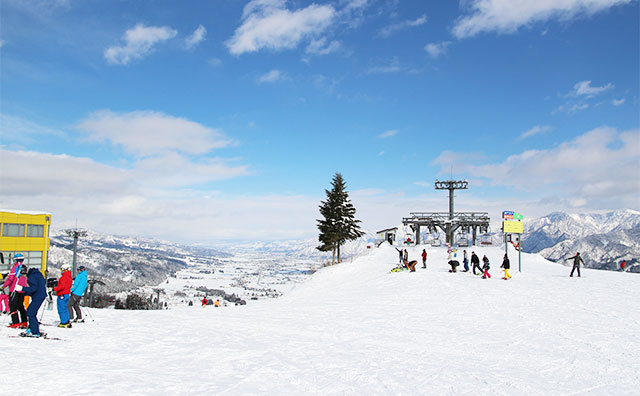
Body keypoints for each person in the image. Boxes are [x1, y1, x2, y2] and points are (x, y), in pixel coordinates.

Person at [3, 254, 29, 328]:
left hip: (14, 289)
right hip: (22, 290)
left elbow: (10, 278)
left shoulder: (15, 267)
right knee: (20, 306)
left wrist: (3, 285)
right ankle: (24, 321)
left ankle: (15, 322)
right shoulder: (24, 267)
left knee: (12, 306)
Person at [20, 267, 47, 337]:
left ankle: (35, 332)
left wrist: (22, 289)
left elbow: (34, 288)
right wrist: (26, 293)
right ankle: (31, 328)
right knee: (31, 311)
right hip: (40, 295)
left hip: (38, 296)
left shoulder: (32, 276)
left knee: (31, 313)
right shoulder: (38, 274)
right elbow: (39, 286)